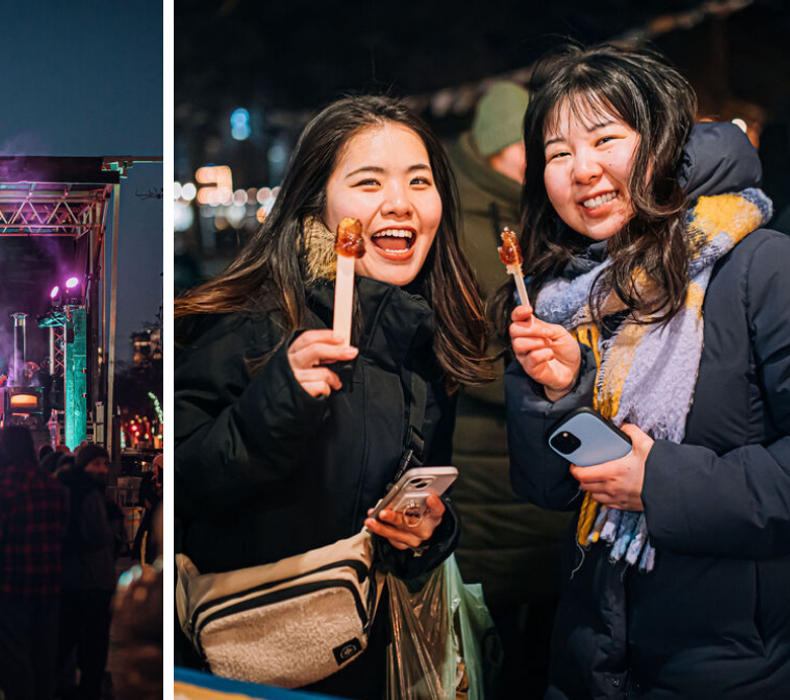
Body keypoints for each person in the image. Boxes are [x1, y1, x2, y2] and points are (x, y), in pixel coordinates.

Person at [175, 95, 492, 697]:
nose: (399, 202)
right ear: (316, 202)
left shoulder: (424, 335)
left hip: (371, 659)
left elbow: (410, 505)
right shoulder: (253, 322)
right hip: (250, 665)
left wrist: (428, 533)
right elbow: (184, 484)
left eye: (418, 181)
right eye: (368, 182)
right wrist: (278, 401)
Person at [501, 44, 790, 698]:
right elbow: (547, 489)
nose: (581, 170)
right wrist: (560, 390)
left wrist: (657, 481)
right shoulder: (562, 296)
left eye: (605, 138)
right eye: (556, 153)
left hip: (734, 666)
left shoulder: (760, 268)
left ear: (661, 141)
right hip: (589, 655)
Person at [446, 80, 573, 697]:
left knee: (545, 650)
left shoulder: (549, 215)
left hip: (550, 474)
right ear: (496, 148)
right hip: (481, 477)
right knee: (491, 646)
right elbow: (458, 347)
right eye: (531, 150)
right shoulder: (455, 219)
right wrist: (543, 374)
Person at [0, 426, 68, 700]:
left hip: (10, 588)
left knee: (15, 661)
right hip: (49, 586)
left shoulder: (1, 486)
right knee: (44, 656)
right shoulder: (52, 484)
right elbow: (63, 532)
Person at [57, 445, 121, 700]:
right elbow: (99, 535)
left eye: (104, 463)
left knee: (67, 638)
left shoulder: (67, 487)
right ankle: (89, 690)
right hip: (93, 578)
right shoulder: (90, 494)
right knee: (94, 642)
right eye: (96, 463)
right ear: (84, 465)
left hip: (70, 578)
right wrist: (113, 523)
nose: (102, 469)